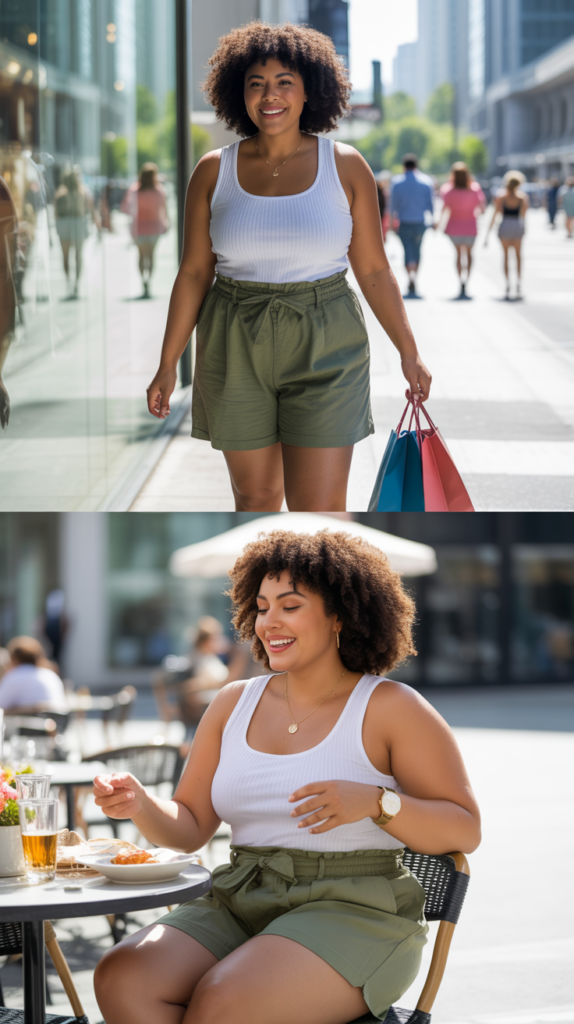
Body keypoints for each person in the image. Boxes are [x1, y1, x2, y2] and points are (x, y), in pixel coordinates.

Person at [92, 528, 481, 1024]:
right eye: (261, 606)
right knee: (123, 975)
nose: (268, 621)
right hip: (240, 895)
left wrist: (378, 803)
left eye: (290, 606)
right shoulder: (232, 703)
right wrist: (141, 804)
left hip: (355, 908)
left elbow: (464, 827)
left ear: (341, 614)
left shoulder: (392, 707)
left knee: (223, 1001)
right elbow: (189, 826)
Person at [145, 23, 431, 513]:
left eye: (284, 82)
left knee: (318, 507)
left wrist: (409, 351)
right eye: (256, 83)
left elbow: (376, 271)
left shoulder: (345, 165)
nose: (269, 95)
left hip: (327, 334)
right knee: (253, 500)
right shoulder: (213, 170)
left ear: (309, 92)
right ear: (239, 93)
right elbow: (194, 273)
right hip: (234, 332)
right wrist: (168, 363)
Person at [438, 162, 486, 299]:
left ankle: (460, 281)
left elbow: (444, 209)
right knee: (469, 254)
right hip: (470, 226)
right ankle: (467, 281)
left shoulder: (447, 189)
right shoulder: (474, 188)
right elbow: (482, 209)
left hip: (453, 227)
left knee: (458, 255)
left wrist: (439, 224)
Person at [121, 163, 169, 299]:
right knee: (151, 256)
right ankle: (149, 281)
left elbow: (125, 208)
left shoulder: (135, 190)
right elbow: (164, 210)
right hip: (154, 227)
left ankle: (144, 280)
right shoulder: (160, 191)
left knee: (141, 256)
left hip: (139, 228)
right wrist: (166, 223)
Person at [390, 154, 434, 298]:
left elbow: (393, 206)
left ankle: (410, 277)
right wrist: (433, 220)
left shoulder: (397, 182)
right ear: (416, 165)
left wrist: (391, 223)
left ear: (404, 166)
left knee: (407, 251)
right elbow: (430, 204)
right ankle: (415, 277)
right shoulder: (426, 181)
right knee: (417, 251)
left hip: (404, 222)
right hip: (420, 222)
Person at [54, 166, 97, 299]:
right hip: (78, 223)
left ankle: (70, 282)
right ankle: (75, 283)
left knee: (66, 256)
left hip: (64, 223)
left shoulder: (61, 193)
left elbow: (56, 213)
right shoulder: (83, 192)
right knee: (78, 255)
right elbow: (90, 209)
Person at [484, 170, 529, 300]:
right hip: (516, 226)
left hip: (504, 226)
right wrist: (524, 229)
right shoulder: (522, 197)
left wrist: (487, 234)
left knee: (506, 256)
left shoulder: (501, 197)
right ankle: (519, 282)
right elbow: (524, 216)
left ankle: (508, 283)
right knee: (518, 256)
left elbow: (494, 215)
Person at [0, 636, 66, 712]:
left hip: (28, 722)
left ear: (15, 659)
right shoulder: (51, 675)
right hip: (58, 722)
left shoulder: (14, 675)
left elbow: (1, 705)